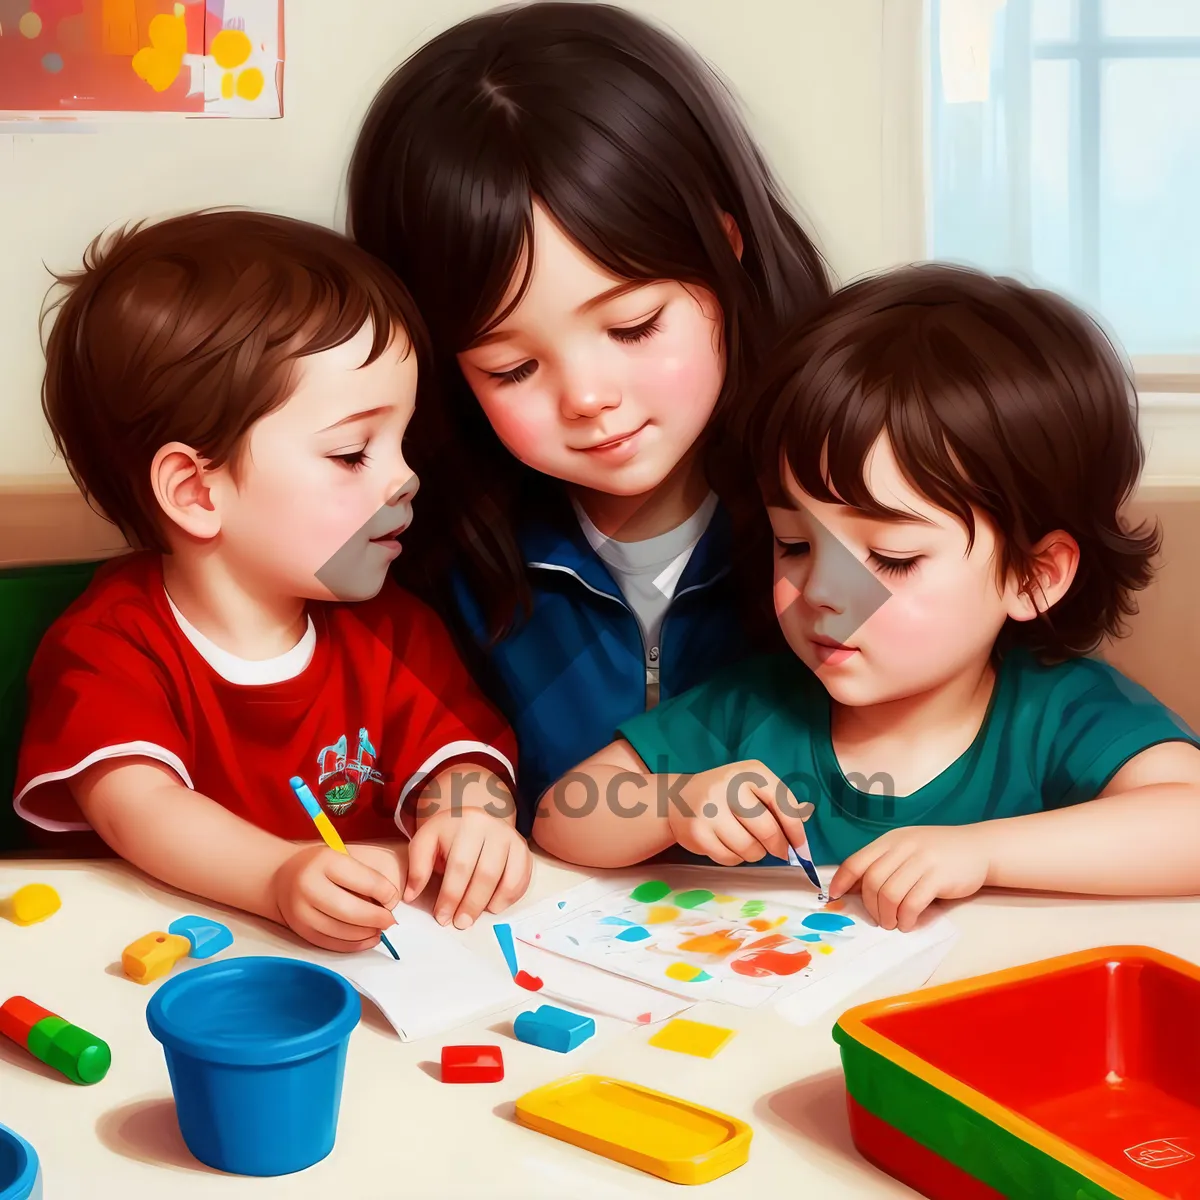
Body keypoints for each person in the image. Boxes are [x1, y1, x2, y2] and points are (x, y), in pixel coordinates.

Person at [541, 264, 1200, 929]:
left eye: (891, 558)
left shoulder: (1063, 714)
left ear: (1034, 575)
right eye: (794, 545)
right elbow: (562, 814)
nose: (825, 593)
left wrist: (984, 853)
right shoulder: (754, 710)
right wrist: (672, 803)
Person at [347, 1, 830, 835]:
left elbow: (955, 715)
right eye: (513, 367)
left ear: (726, 245)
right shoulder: (418, 557)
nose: (588, 398)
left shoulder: (848, 508)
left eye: (634, 325)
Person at [13, 210, 531, 949]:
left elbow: (459, 755)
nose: (405, 476)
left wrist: (471, 816)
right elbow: (140, 807)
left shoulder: (393, 626)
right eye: (354, 452)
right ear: (197, 492)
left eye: (402, 440)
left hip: (382, 973)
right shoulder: (111, 643)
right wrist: (277, 877)